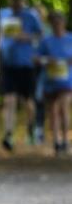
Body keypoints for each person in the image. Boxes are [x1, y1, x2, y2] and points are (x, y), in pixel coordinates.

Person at [0, 0, 43, 150]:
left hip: (26, 64)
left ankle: (30, 127)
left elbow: (40, 35)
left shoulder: (31, 16)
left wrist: (27, 37)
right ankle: (8, 134)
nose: (15, 1)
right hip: (9, 63)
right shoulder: (3, 14)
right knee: (9, 99)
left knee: (28, 101)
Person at [36, 10, 72, 154]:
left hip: (67, 81)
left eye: (59, 23)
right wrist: (47, 60)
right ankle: (56, 141)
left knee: (64, 108)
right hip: (50, 81)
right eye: (54, 23)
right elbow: (36, 58)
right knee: (53, 111)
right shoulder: (46, 41)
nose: (57, 26)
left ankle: (65, 140)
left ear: (64, 23)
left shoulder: (70, 39)